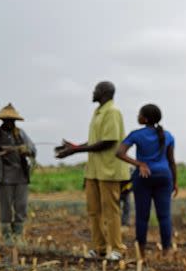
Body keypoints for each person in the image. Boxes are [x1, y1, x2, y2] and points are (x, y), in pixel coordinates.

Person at [55, 81, 130, 260]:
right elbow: (95, 141)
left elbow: (109, 141)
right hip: (94, 170)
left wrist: (75, 150)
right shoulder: (98, 112)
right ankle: (99, 248)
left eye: (96, 89)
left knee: (111, 210)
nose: (93, 92)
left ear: (104, 92)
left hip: (109, 170)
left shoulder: (112, 112)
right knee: (94, 210)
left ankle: (117, 249)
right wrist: (73, 148)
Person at [116, 104, 178, 256]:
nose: (137, 116)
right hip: (165, 177)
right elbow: (171, 161)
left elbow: (119, 152)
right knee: (164, 216)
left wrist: (140, 164)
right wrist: (175, 182)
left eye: (139, 114)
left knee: (142, 216)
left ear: (145, 118)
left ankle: (141, 251)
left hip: (143, 177)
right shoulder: (168, 135)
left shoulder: (136, 135)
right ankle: (166, 251)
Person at [0, 103, 36, 244]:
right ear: (2, 121)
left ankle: (18, 235)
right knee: (5, 208)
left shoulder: (20, 133)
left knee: (21, 206)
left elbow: (33, 149)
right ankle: (7, 237)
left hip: (21, 176)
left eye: (12, 121)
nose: (10, 123)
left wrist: (26, 149)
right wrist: (0, 149)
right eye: (7, 120)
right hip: (3, 177)